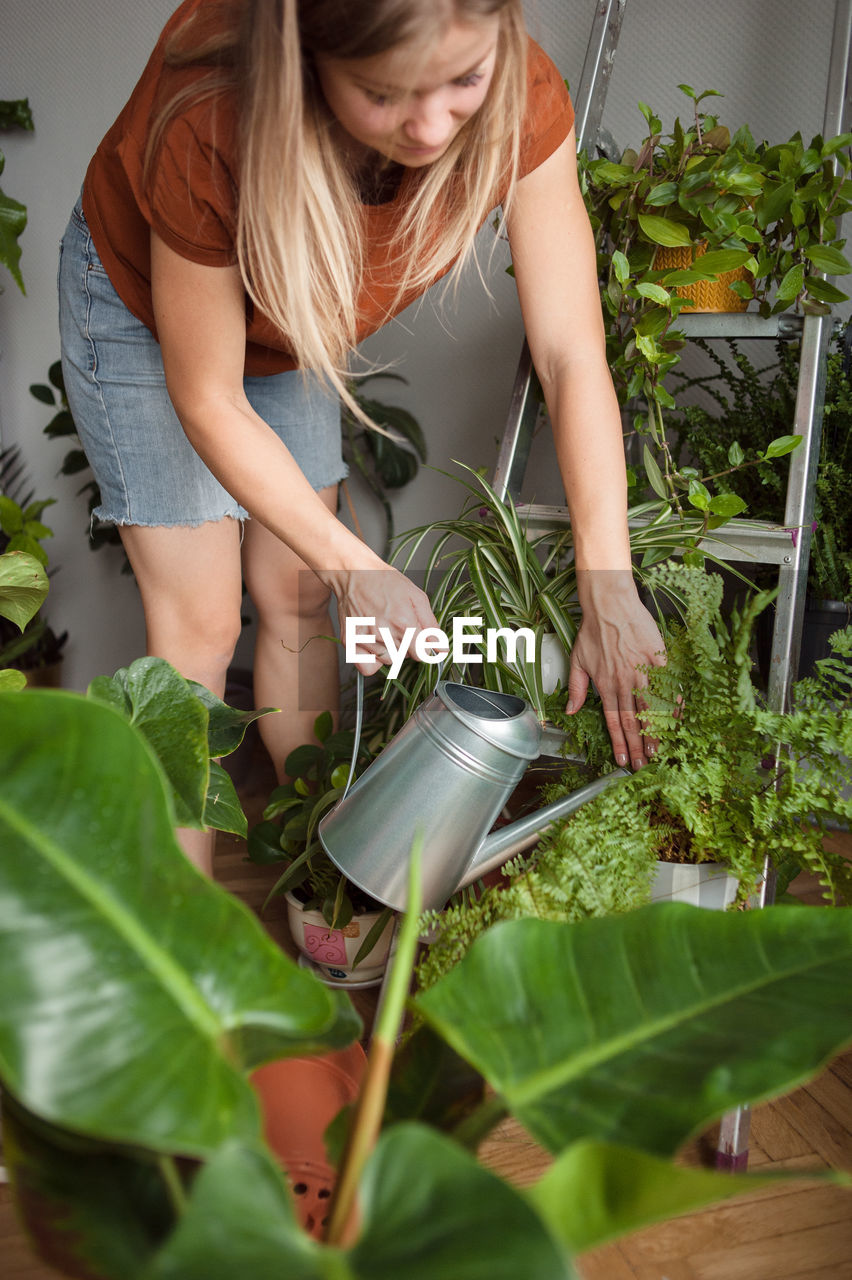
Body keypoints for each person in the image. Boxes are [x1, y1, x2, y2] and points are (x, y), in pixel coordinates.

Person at [59, 0, 665, 874]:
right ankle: (173, 937)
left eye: (463, 81)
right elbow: (209, 397)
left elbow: (570, 354)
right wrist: (358, 565)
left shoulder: (519, 90)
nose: (430, 127)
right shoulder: (213, 112)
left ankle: (323, 866)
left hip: (291, 312)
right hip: (145, 312)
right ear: (313, 62)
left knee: (302, 596)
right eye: (385, 95)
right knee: (195, 630)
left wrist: (610, 587)